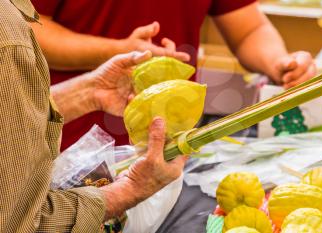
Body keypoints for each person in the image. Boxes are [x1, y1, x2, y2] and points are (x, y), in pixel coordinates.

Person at [31, 0, 316, 151]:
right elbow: (27, 28)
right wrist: (117, 51)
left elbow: (249, 30)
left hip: (169, 148)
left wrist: (280, 62)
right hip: (67, 147)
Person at [0, 0, 186, 232]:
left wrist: (88, 92)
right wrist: (132, 189)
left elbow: (8, 121)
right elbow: (18, 220)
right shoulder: (7, 35)